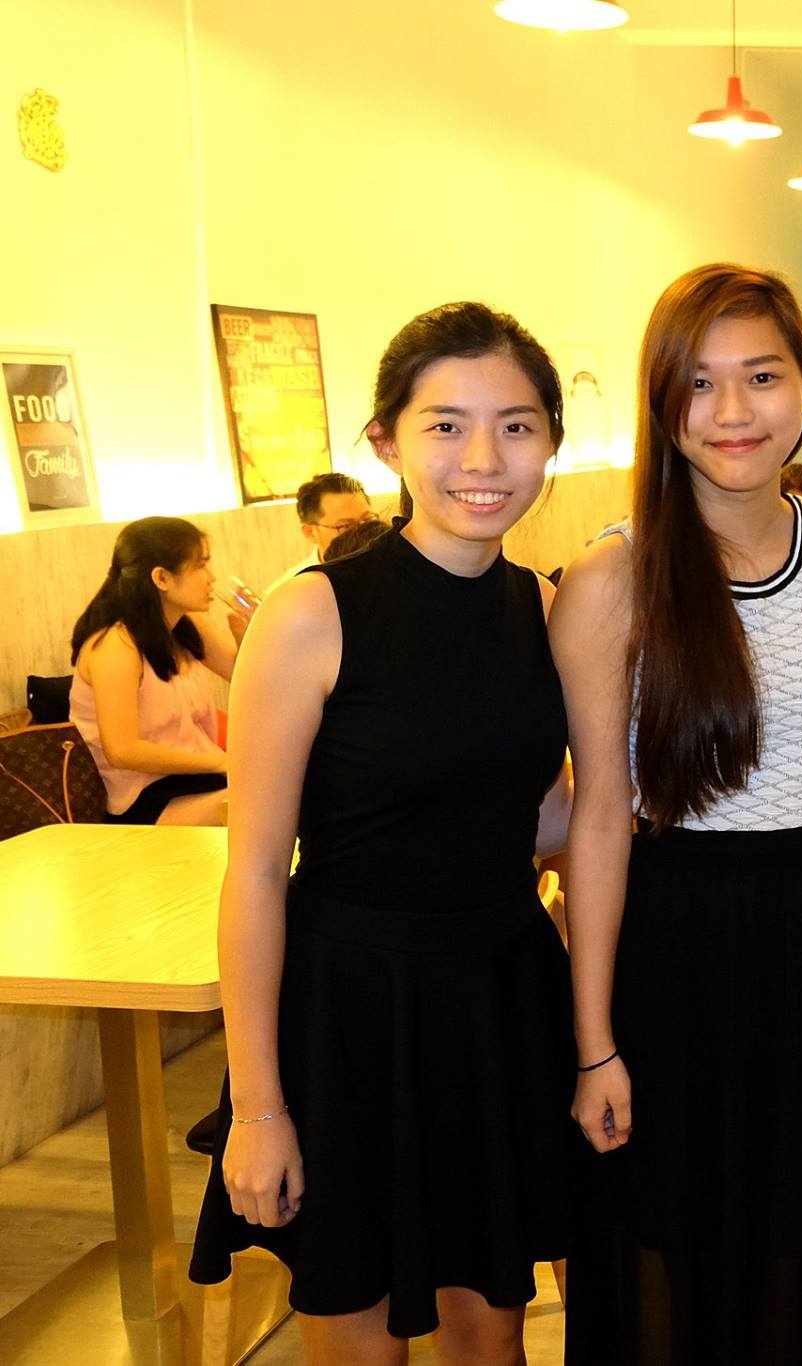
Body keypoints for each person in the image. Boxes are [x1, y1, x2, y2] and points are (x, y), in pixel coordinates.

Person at [190, 302, 579, 1365]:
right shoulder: (312, 613)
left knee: (491, 1333)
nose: (483, 459)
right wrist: (258, 1108)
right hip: (350, 1009)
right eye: (445, 425)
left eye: (516, 425)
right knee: (359, 1339)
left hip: (500, 995)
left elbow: (537, 811)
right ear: (386, 441)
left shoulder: (545, 607)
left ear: (550, 440)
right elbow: (255, 870)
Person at [551, 264, 802, 1363]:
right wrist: (594, 1045)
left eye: (762, 376)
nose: (732, 410)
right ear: (663, 402)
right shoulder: (612, 579)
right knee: (672, 1245)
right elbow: (599, 819)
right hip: (673, 941)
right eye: (699, 382)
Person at [68, 516, 235, 825]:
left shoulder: (189, 626)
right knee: (266, 804)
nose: (211, 577)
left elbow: (248, 679)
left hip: (199, 779)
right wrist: (223, 762)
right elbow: (123, 751)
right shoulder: (116, 645)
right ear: (161, 578)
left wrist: (251, 632)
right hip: (145, 797)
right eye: (200, 566)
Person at [272, 472, 374, 591]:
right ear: (309, 532)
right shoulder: (292, 591)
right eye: (346, 526)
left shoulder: (388, 566)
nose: (363, 531)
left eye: (368, 519)